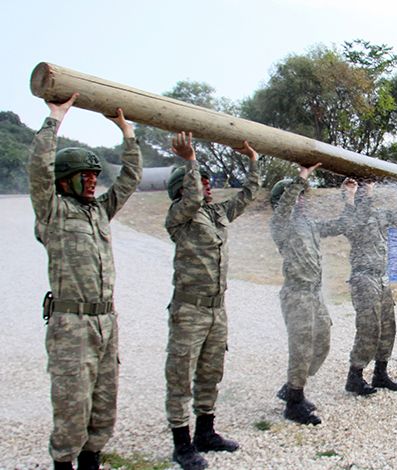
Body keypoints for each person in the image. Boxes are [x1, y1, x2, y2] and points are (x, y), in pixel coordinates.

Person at [29, 93, 142, 470]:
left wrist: (127, 134)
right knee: (72, 405)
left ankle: (92, 459)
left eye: (95, 175)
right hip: (72, 325)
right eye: (85, 176)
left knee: (104, 402)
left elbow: (129, 180)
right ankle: (64, 462)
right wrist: (54, 119)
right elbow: (38, 170)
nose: (93, 181)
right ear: (65, 181)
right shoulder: (53, 211)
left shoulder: (99, 212)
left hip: (106, 321)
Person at [164, 132, 260, 470]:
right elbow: (191, 199)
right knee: (181, 376)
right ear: (182, 189)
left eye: (207, 181)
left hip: (217, 309)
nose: (206, 186)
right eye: (199, 181)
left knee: (210, 372)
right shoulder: (180, 216)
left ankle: (206, 432)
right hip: (189, 309)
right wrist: (190, 160)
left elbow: (247, 195)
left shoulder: (216, 213)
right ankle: (182, 445)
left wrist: (253, 160)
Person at [269, 164, 356, 425]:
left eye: (302, 196)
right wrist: (301, 177)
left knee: (322, 344)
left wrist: (348, 198)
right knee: (301, 348)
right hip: (297, 296)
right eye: (297, 196)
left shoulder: (308, 224)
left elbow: (343, 224)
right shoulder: (280, 224)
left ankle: (291, 388)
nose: (302, 200)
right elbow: (285, 207)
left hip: (314, 296)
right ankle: (294, 403)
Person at [343, 181, 397, 395]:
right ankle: (355, 376)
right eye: (364, 192)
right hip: (364, 278)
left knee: (388, 327)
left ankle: (380, 374)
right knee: (369, 328)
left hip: (381, 278)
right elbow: (352, 224)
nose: (368, 194)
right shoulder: (353, 217)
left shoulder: (379, 214)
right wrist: (351, 195)